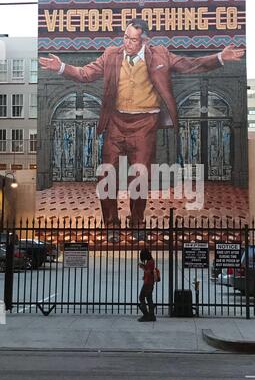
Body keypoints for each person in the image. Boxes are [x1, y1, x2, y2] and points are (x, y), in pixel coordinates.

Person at [39, 18, 244, 235]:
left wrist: (221, 57)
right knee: (106, 175)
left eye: (133, 40)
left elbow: (190, 65)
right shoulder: (111, 55)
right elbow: (85, 74)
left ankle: (137, 222)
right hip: (116, 122)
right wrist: (60, 67)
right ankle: (111, 224)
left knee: (140, 176)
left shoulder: (160, 54)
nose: (127, 43)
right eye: (125, 37)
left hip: (145, 123)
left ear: (144, 40)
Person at [138, 248, 156, 322]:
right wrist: (144, 266)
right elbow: (149, 271)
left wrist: (142, 267)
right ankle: (151, 315)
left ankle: (146, 315)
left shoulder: (150, 262)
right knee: (149, 298)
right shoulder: (150, 261)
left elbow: (149, 272)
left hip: (148, 283)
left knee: (141, 297)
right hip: (149, 282)